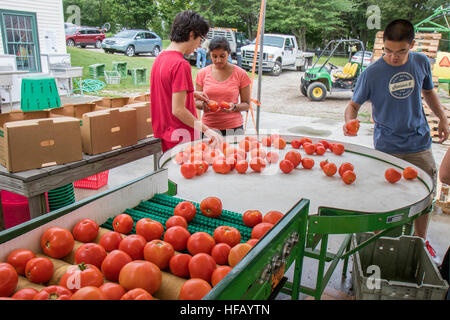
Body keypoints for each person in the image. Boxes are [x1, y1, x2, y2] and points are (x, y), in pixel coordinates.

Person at [342, 19, 450, 261]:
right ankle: (379, 243)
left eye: (401, 52)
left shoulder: (421, 62)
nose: (394, 57)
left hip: (419, 143)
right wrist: (350, 122)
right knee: (385, 196)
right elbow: (353, 106)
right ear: (383, 46)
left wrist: (442, 118)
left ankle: (421, 241)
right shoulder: (372, 73)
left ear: (411, 44)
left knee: (425, 194)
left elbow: (429, 91)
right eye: (389, 51)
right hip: (386, 147)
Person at [150, 10, 222, 152]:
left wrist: (191, 94)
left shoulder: (161, 57)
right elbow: (178, 110)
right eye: (200, 39)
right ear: (191, 34)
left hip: (167, 134)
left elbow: (165, 91)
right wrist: (207, 130)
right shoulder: (180, 64)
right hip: (182, 136)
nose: (199, 45)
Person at [195, 36, 251, 136]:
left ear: (228, 53)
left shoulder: (241, 74)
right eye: (214, 56)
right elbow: (196, 102)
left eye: (222, 56)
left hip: (233, 128)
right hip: (209, 128)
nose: (218, 60)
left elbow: (246, 104)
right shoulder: (202, 74)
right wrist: (203, 106)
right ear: (210, 54)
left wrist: (234, 107)